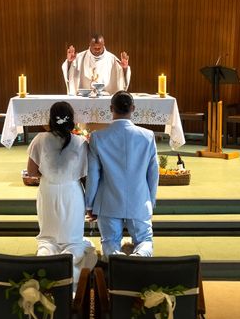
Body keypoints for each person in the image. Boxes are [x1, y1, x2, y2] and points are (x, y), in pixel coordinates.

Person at [26, 101, 97, 286]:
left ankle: (46, 260)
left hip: (47, 191)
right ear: (71, 120)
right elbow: (86, 176)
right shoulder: (80, 142)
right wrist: (90, 204)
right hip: (72, 193)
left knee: (48, 237)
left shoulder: (39, 139)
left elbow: (32, 172)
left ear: (51, 118)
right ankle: (68, 267)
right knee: (72, 239)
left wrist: (49, 175)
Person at [85, 91, 159, 258]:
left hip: (108, 201)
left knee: (110, 242)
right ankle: (137, 260)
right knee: (145, 240)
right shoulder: (148, 136)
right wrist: (150, 200)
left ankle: (116, 270)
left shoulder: (98, 137)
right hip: (139, 199)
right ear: (133, 108)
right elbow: (153, 174)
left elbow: (93, 174)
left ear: (111, 108)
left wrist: (90, 204)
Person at [62, 34, 130, 95]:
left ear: (103, 45)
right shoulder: (79, 58)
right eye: (95, 48)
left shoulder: (112, 59)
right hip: (84, 98)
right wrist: (69, 62)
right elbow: (69, 75)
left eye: (99, 48)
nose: (97, 50)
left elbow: (121, 81)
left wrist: (124, 69)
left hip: (105, 98)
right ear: (90, 45)